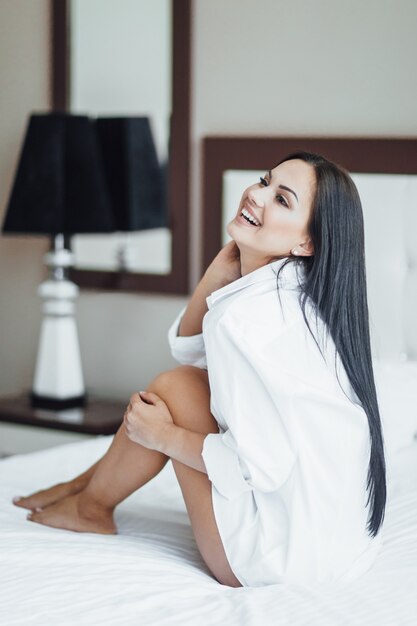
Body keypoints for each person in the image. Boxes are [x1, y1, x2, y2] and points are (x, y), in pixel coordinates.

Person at [12, 152, 386, 588]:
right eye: (265, 180)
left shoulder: (254, 320)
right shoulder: (294, 296)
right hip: (337, 547)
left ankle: (90, 505)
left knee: (168, 392)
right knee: (179, 384)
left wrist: (163, 437)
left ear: (307, 244)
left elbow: (259, 467)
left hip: (270, 560)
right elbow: (190, 353)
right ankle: (86, 490)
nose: (256, 195)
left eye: (282, 199)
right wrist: (215, 276)